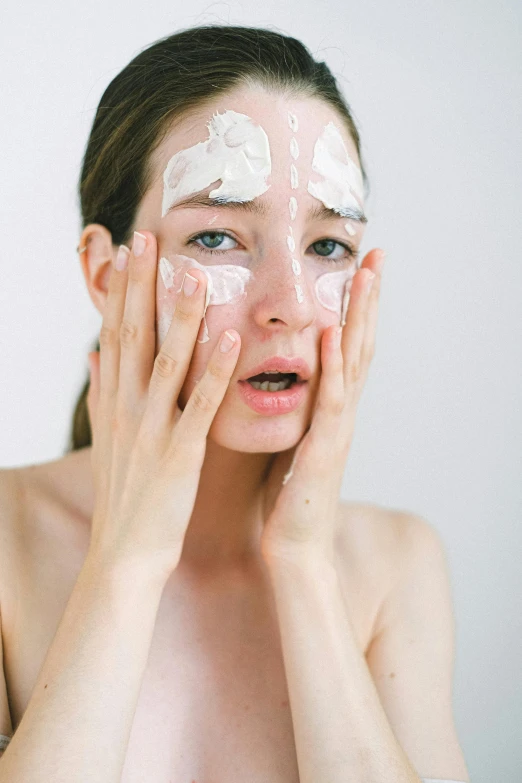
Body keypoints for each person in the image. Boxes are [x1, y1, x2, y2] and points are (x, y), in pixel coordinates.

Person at [0, 24, 470, 783]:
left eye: (327, 246)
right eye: (217, 237)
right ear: (104, 273)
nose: (287, 305)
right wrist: (127, 561)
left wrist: (305, 566)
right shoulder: (7, 542)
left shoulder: (396, 566)